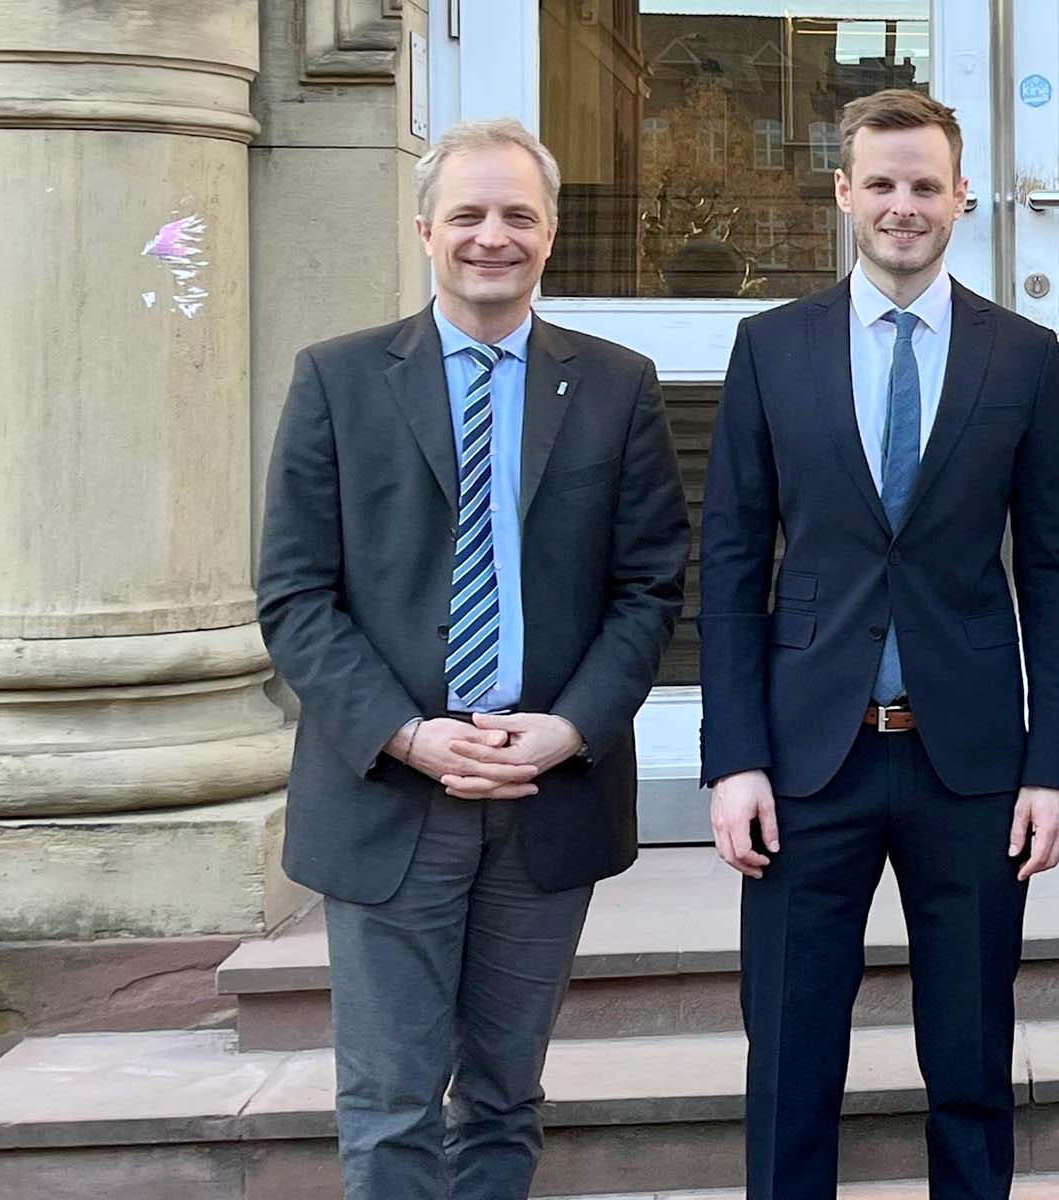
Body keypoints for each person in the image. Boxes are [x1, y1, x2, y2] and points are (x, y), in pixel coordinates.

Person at [256, 117, 689, 1199]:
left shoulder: (616, 385)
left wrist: (570, 726)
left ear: (551, 236)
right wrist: (408, 732)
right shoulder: (338, 380)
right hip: (390, 796)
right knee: (393, 1106)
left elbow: (649, 587)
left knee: (503, 1100)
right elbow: (295, 594)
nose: (490, 236)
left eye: (516, 216)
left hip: (546, 794)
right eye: (467, 215)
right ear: (424, 230)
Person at [697, 88, 1059, 1199]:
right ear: (843, 193)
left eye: (925, 185)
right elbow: (730, 565)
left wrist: (1051, 764)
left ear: (961, 198)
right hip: (806, 763)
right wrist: (735, 758)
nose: (903, 206)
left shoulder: (1021, 357)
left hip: (966, 766)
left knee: (969, 1058)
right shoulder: (772, 349)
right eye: (881, 184)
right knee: (790, 1056)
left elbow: (1058, 574)